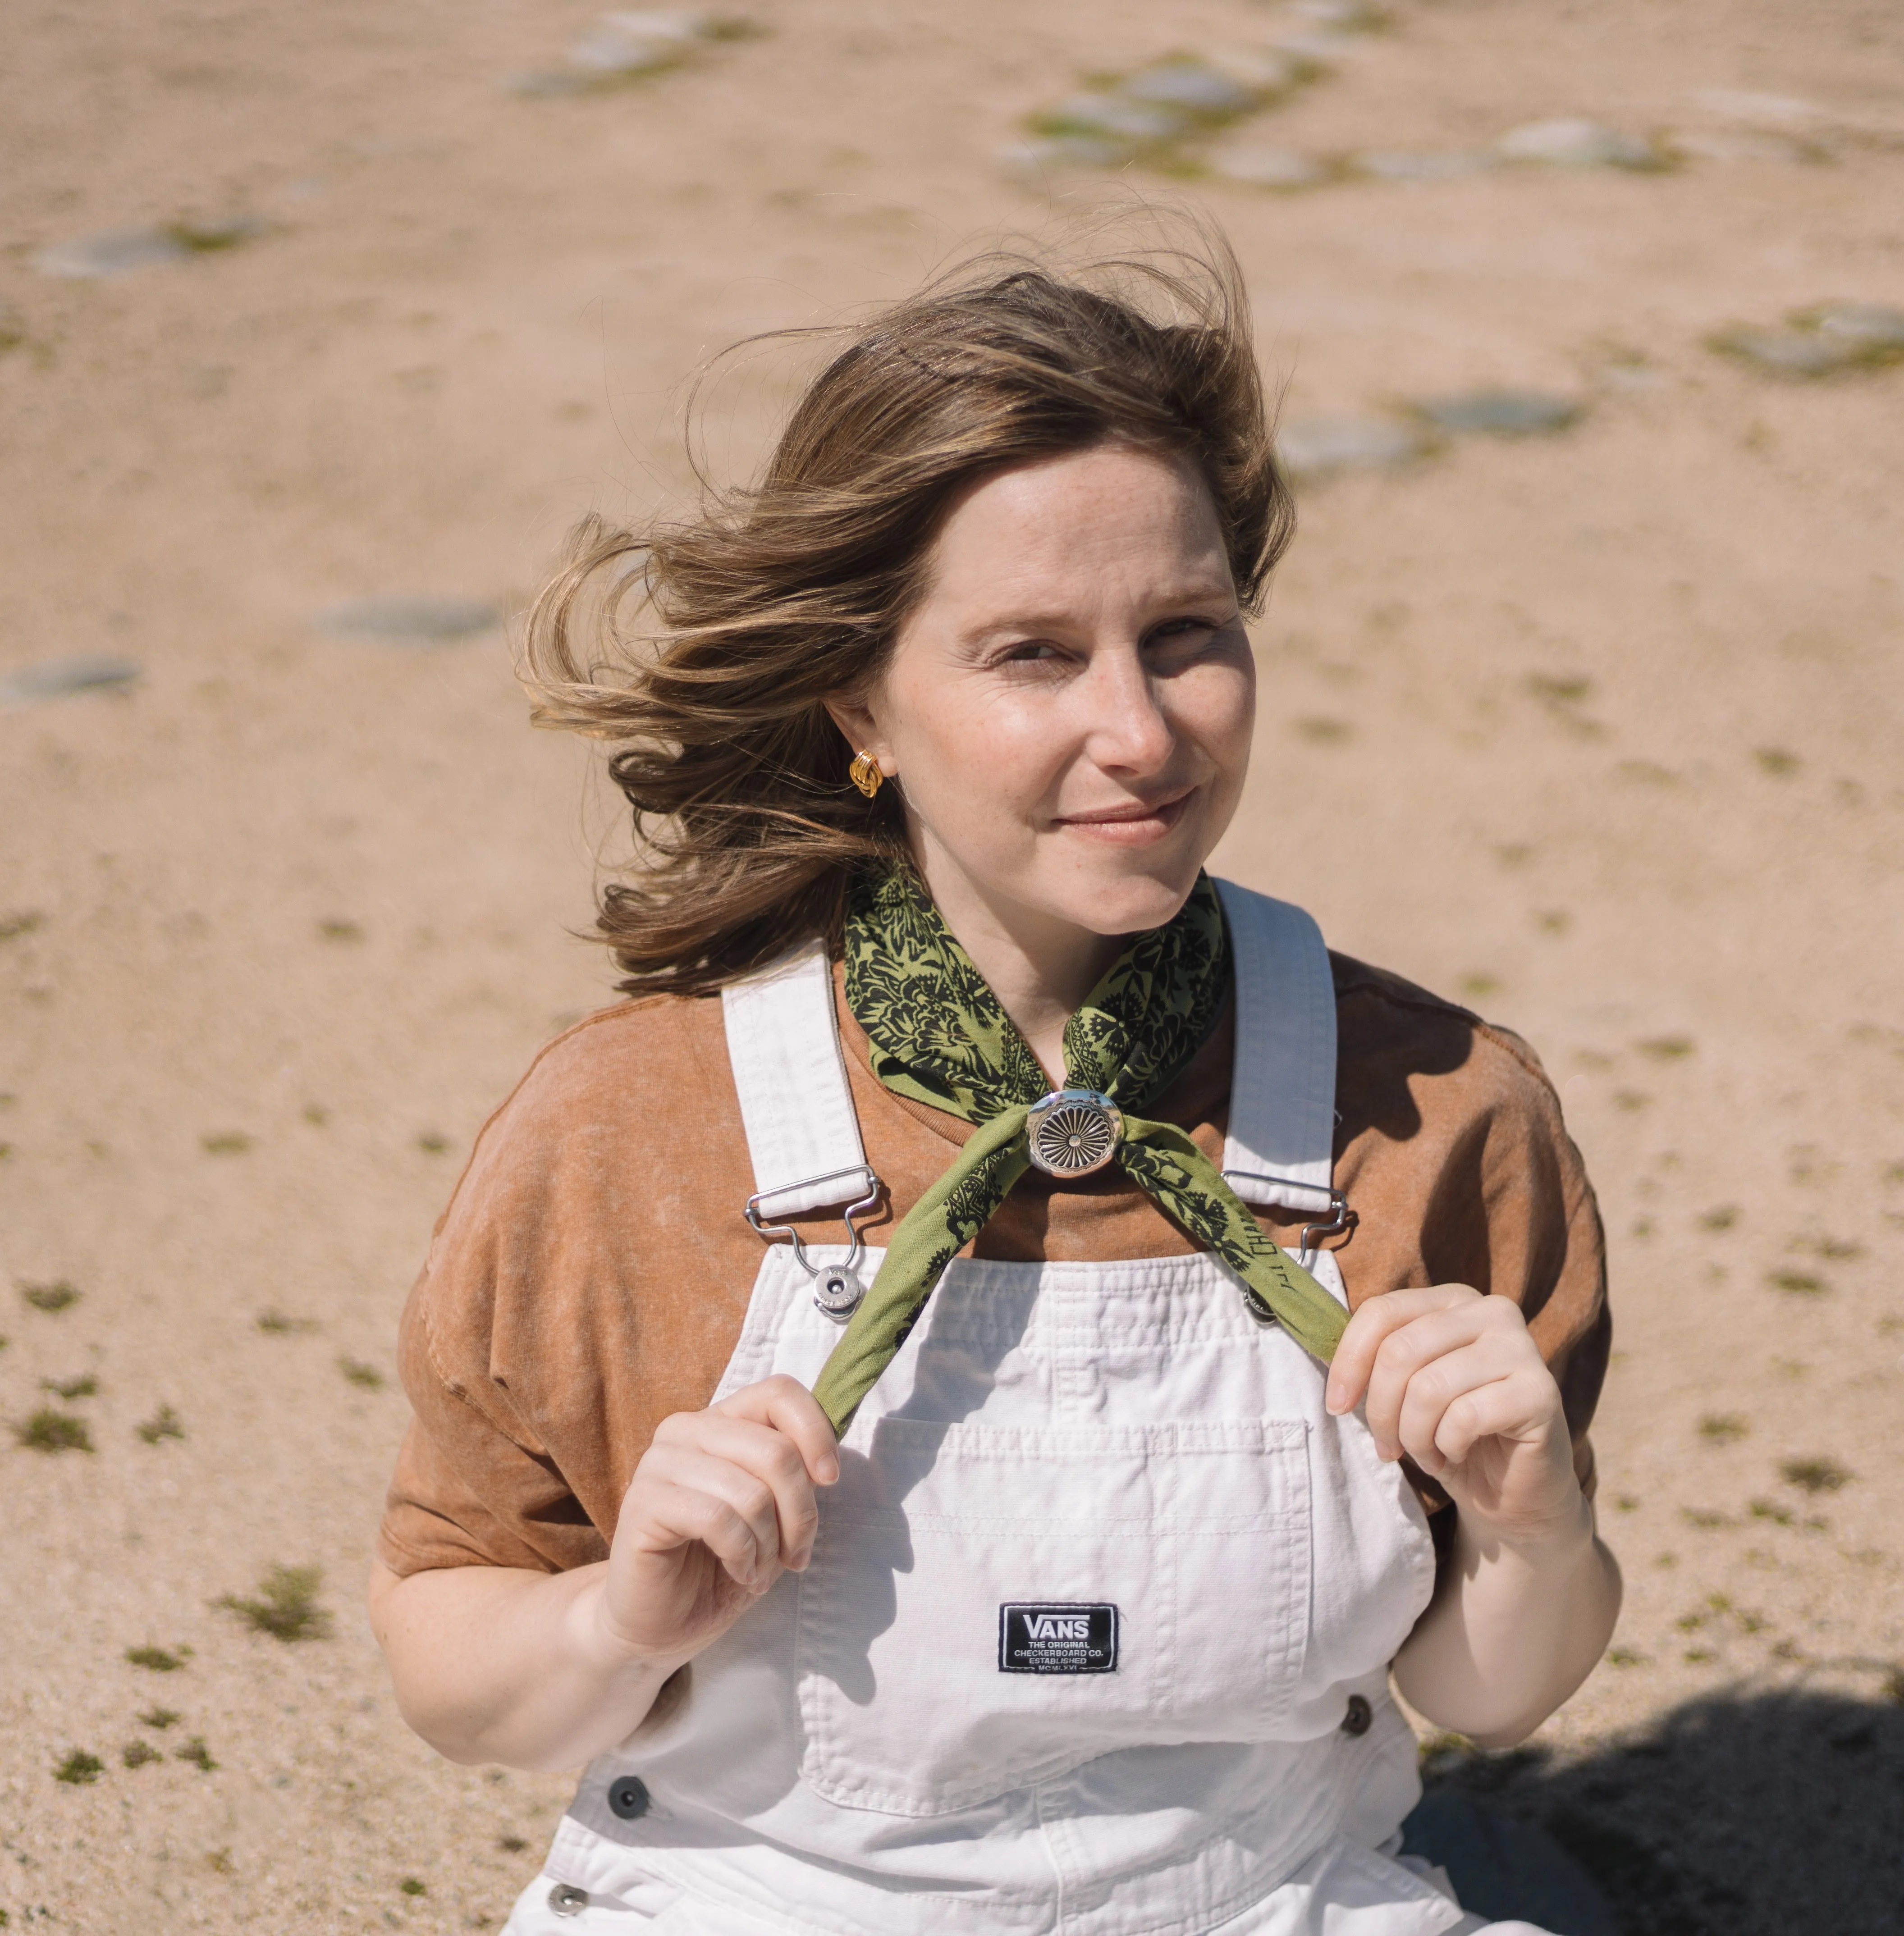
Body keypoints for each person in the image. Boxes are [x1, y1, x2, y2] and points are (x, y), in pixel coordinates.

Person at [368, 235, 1619, 1936]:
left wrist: (1533, 1532)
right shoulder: (626, 1130)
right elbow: (453, 1672)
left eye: (1185, 633)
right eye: (1032, 652)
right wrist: (616, 1624)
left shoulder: (1441, 1106)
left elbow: (1486, 1690)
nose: (1143, 732)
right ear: (861, 706)